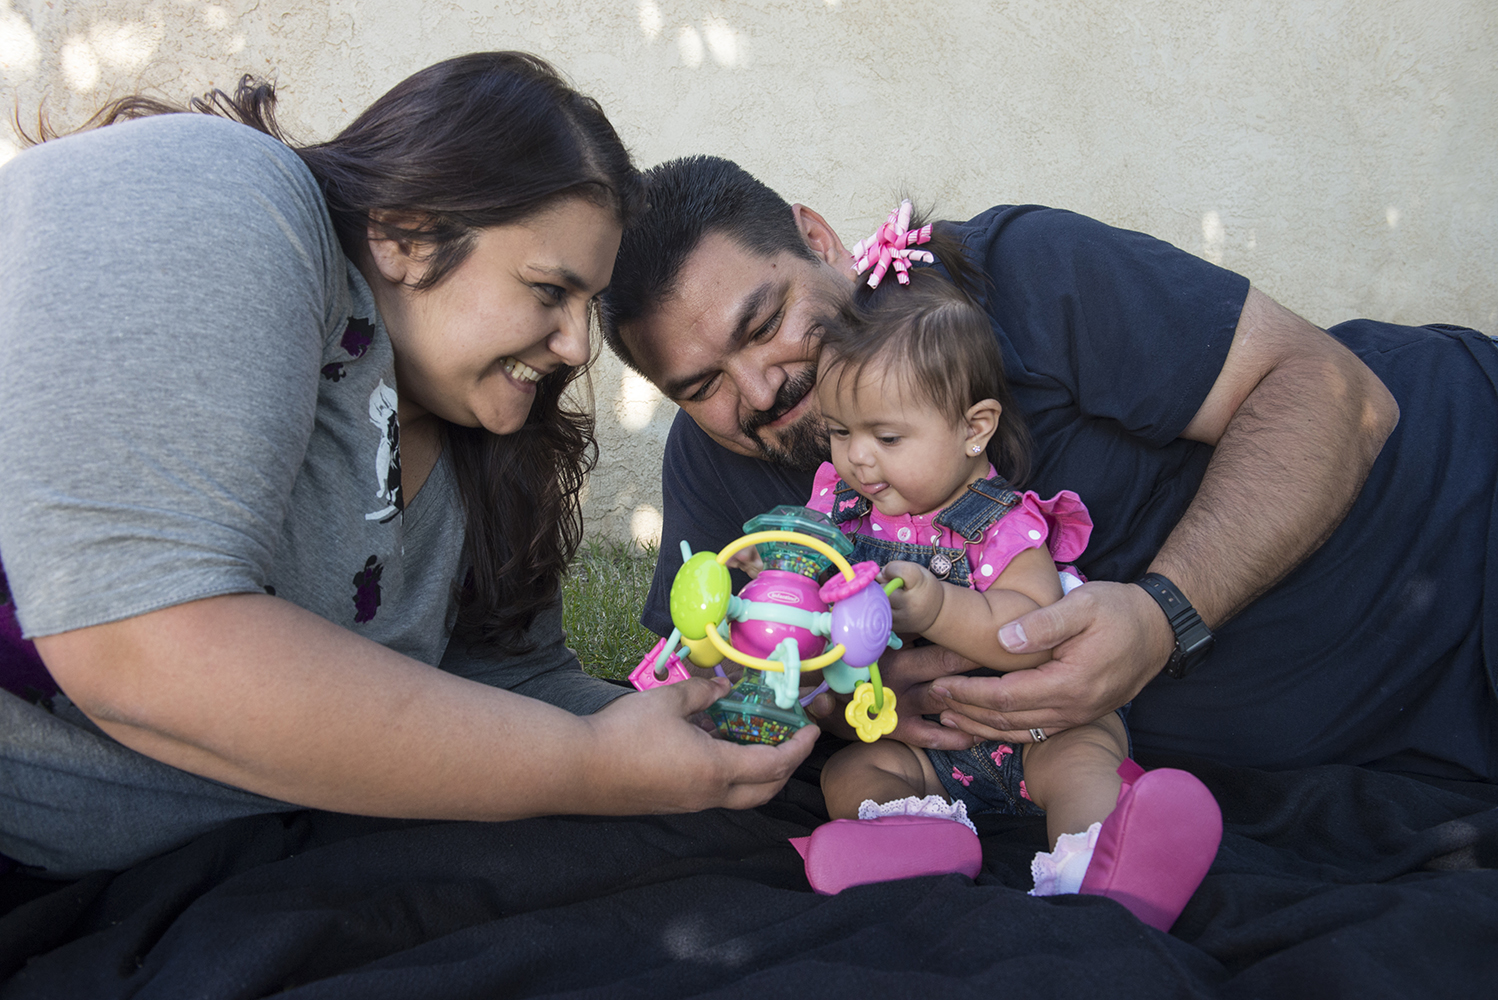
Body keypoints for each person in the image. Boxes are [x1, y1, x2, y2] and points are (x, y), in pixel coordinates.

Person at [0, 55, 814, 878]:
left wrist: (713, 728)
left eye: (585, 304)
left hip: (244, 869)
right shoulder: (230, 193)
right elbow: (143, 652)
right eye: (547, 291)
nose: (577, 343)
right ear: (403, 233)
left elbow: (515, 688)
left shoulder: (479, 447)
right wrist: (589, 764)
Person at [600, 155, 1498, 784]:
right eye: (702, 384)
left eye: (765, 323)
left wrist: (1163, 617)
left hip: (1452, 511)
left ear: (818, 239)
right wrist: (846, 702)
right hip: (1362, 743)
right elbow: (710, 681)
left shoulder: (1016, 274)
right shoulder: (719, 467)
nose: (759, 389)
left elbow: (1337, 395)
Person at [728, 208, 1221, 926]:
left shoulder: (1001, 521)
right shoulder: (840, 512)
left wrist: (937, 611)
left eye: (887, 435)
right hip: (930, 756)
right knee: (851, 772)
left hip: (1039, 736)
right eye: (839, 431)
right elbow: (821, 626)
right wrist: (785, 608)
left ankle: (1107, 866)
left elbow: (1033, 629)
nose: (857, 457)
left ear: (973, 428)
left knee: (1087, 761)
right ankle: (917, 841)